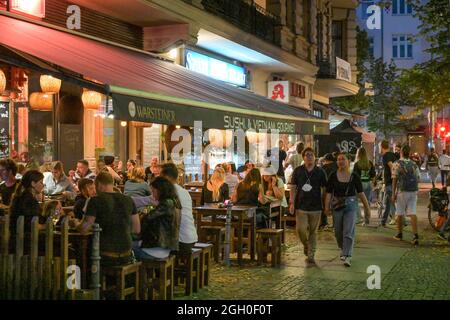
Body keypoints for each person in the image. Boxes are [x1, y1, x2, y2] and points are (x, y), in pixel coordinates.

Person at [76, 171, 141, 267]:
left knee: (80, 255)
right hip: (127, 254)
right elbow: (136, 229)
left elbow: (84, 228)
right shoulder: (128, 200)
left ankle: (87, 281)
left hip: (105, 255)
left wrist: (76, 224)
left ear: (99, 185)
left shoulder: (95, 201)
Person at [324, 153, 371, 267]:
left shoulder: (354, 176)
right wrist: (326, 207)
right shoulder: (333, 176)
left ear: (348, 161)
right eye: (339, 159)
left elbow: (361, 193)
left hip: (351, 206)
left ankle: (348, 255)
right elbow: (329, 193)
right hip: (337, 206)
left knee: (348, 231)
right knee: (338, 232)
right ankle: (343, 248)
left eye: (343, 159)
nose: (340, 161)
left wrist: (367, 208)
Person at [289, 147, 327, 264]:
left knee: (313, 232)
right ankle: (306, 245)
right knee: (300, 229)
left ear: (314, 157)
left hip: (316, 206)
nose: (309, 157)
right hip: (301, 205)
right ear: (303, 157)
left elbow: (325, 188)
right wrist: (292, 202)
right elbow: (293, 187)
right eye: (307, 155)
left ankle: (311, 254)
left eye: (311, 154)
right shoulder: (298, 171)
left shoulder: (320, 171)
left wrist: (326, 204)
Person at [135, 176, 181, 260]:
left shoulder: (166, 204)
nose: (152, 195)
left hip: (156, 248)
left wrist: (142, 216)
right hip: (166, 247)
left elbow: (146, 220)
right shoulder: (174, 201)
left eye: (153, 191)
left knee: (126, 248)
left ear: (160, 190)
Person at [160, 163, 198, 254]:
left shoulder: (167, 192)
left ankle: (159, 267)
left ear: (166, 177)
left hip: (179, 242)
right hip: (191, 238)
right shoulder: (185, 192)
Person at [391, 145, 420, 245]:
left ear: (401, 152)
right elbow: (418, 178)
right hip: (413, 191)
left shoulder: (397, 163)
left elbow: (394, 179)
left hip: (402, 191)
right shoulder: (414, 164)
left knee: (400, 213)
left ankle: (399, 234)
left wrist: (393, 194)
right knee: (413, 212)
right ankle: (415, 236)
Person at [353, 147, 376, 226]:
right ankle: (366, 220)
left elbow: (354, 176)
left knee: (354, 200)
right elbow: (373, 175)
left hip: (359, 184)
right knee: (366, 203)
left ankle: (358, 217)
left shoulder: (357, 164)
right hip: (368, 183)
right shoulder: (369, 163)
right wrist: (372, 183)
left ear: (358, 154)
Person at [318, 153, 338, 230]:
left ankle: (324, 223)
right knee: (335, 206)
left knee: (324, 205)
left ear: (326, 160)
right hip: (336, 188)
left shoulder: (323, 167)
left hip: (326, 189)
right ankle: (335, 224)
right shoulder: (337, 166)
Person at [380, 140, 397, 227]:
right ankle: (385, 220)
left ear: (382, 146)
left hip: (390, 182)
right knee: (389, 202)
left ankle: (393, 218)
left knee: (389, 202)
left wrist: (392, 176)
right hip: (392, 182)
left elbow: (391, 166)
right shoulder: (392, 154)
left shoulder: (386, 156)